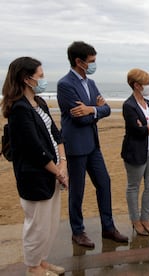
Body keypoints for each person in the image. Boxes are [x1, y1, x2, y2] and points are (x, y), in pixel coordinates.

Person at [1, 57, 68, 276]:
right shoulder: (19, 109)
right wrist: (57, 171)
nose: (43, 79)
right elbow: (33, 148)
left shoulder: (39, 102)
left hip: (53, 171)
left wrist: (63, 163)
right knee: (37, 226)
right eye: (40, 76)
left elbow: (55, 134)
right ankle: (33, 268)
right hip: (35, 176)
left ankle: (42, 261)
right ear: (26, 79)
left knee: (49, 225)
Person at [57, 41, 128, 248]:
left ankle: (108, 228)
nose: (94, 64)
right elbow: (79, 119)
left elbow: (105, 108)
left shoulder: (91, 82)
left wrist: (92, 111)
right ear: (79, 62)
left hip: (93, 144)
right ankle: (77, 232)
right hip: (76, 145)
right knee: (77, 190)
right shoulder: (65, 84)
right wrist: (94, 111)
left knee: (104, 184)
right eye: (92, 61)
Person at [122, 68, 149, 236]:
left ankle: (145, 218)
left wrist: (146, 127)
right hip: (135, 152)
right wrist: (147, 128)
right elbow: (135, 130)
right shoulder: (128, 105)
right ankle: (135, 220)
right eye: (146, 83)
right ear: (137, 85)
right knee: (133, 187)